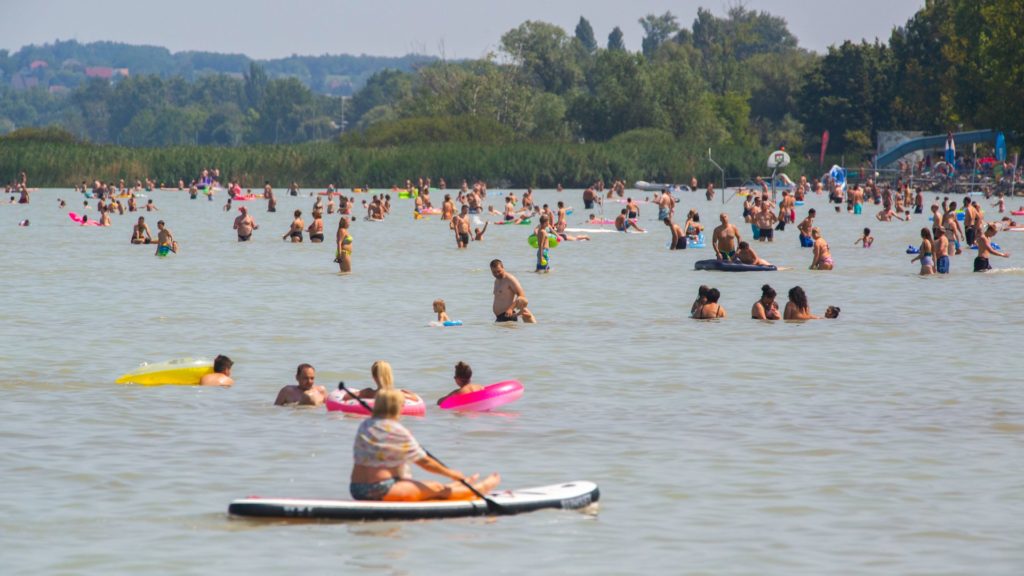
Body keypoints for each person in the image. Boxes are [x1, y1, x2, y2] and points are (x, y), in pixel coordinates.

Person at [350, 388, 501, 501]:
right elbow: (425, 462)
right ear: (398, 407)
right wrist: (452, 474)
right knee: (437, 488)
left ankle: (459, 487)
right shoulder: (396, 430)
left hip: (356, 488)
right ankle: (481, 489)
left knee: (432, 485)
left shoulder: (365, 425)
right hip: (380, 490)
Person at [344, 360, 422, 404]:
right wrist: (406, 391)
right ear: (390, 376)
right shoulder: (397, 394)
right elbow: (416, 398)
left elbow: (346, 397)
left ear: (373, 377)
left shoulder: (368, 393)